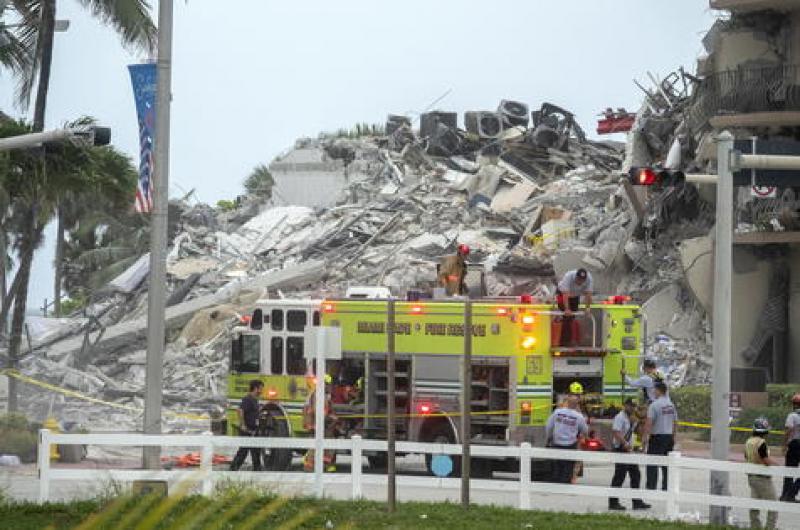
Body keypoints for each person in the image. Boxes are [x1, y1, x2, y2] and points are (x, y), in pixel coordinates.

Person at [609, 399, 650, 511]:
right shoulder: (620, 417)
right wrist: (625, 443)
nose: (632, 408)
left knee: (636, 474)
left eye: (634, 406)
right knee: (619, 476)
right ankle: (613, 502)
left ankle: (637, 502)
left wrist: (642, 439)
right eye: (630, 406)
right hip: (620, 448)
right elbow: (616, 432)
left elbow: (636, 431)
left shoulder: (632, 418)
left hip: (628, 450)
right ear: (625, 406)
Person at [545, 395, 588, 483]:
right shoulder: (579, 417)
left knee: (556, 467)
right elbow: (585, 430)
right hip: (570, 445)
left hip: (556, 444)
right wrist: (583, 437)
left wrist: (549, 439)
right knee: (568, 469)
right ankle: (565, 484)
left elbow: (549, 427)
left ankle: (556, 483)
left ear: (567, 403)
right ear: (577, 405)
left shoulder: (557, 412)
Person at [643, 381, 677, 491]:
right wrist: (674, 437)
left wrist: (645, 438)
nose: (653, 392)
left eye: (654, 390)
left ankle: (651, 486)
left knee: (652, 463)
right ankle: (666, 486)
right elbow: (675, 422)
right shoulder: (671, 405)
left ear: (658, 390)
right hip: (668, 437)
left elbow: (649, 422)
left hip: (657, 437)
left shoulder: (654, 405)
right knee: (666, 464)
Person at [745, 418, 778, 529]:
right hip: (763, 478)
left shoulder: (748, 441)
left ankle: (755, 527)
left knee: (754, 505)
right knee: (774, 505)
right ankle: (769, 527)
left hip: (751, 477)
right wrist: (777, 465)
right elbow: (765, 460)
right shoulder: (761, 443)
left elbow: (746, 456)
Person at [303, 374, 339, 472]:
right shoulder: (319, 395)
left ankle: (317, 465)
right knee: (325, 445)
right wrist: (330, 419)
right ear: (324, 384)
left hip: (316, 424)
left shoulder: (318, 394)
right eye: (329, 384)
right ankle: (312, 466)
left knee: (320, 445)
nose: (330, 387)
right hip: (317, 424)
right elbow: (319, 412)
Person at [230, 380, 264, 471]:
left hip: (254, 430)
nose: (261, 391)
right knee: (243, 451)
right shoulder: (247, 399)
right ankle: (233, 469)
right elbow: (240, 410)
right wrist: (243, 425)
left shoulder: (255, 400)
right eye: (260, 389)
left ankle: (257, 470)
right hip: (247, 430)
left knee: (256, 451)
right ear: (255, 388)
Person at [555, 268, 593, 346]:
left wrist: (588, 308)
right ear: (575, 277)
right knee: (566, 315)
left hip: (575, 295)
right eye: (578, 280)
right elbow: (565, 295)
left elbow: (588, 295)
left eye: (582, 280)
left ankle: (571, 339)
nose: (580, 282)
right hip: (562, 293)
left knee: (572, 316)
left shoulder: (589, 278)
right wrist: (567, 309)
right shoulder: (568, 276)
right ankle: (564, 341)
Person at [781, 393, 800, 502]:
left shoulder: (792, 415)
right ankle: (789, 494)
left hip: (793, 444)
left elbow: (788, 431)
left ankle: (788, 494)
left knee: (789, 471)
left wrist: (784, 445)